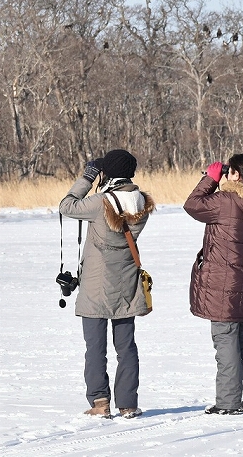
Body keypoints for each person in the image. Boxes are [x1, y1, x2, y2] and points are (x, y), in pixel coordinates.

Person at [59, 149, 155, 419]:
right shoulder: (142, 203)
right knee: (126, 348)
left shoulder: (100, 202)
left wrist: (88, 177)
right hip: (126, 285)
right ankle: (128, 405)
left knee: (95, 349)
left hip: (95, 287)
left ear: (108, 172)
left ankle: (100, 403)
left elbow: (66, 206)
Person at [183, 152, 243, 415]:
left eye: (229, 172)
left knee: (225, 340)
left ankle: (228, 402)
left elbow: (193, 205)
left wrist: (210, 179)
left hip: (223, 282)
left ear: (235, 174)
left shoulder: (226, 200)